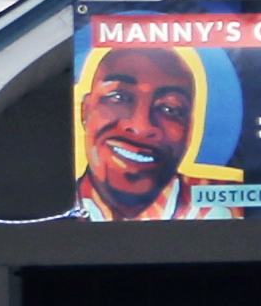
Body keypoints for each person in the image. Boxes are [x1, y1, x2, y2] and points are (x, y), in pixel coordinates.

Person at [75, 40, 205, 218]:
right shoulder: (49, 206)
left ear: (190, 130)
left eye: (170, 108)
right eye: (119, 97)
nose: (141, 127)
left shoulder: (229, 205)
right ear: (86, 110)